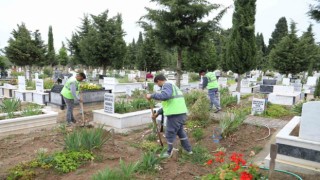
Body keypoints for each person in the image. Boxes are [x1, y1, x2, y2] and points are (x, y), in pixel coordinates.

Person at [146, 74, 192, 158]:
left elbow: (165, 96)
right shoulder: (173, 87)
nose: (157, 86)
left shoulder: (166, 85)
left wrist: (152, 95)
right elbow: (168, 104)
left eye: (157, 83)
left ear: (159, 81)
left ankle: (169, 153)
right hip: (180, 113)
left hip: (175, 115)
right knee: (180, 132)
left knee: (170, 133)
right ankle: (188, 150)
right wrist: (158, 113)